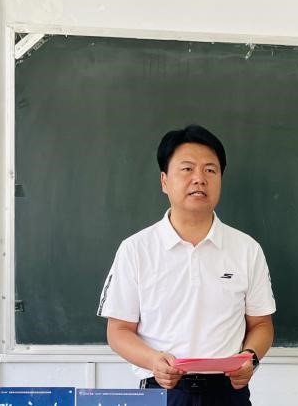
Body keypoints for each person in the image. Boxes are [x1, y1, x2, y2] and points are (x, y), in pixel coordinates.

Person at [97, 124, 276, 406]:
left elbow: (262, 324)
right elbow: (118, 331)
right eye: (187, 169)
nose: (199, 179)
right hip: (162, 391)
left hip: (227, 392)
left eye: (210, 170)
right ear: (164, 181)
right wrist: (153, 361)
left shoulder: (246, 249)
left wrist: (250, 358)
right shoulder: (136, 249)